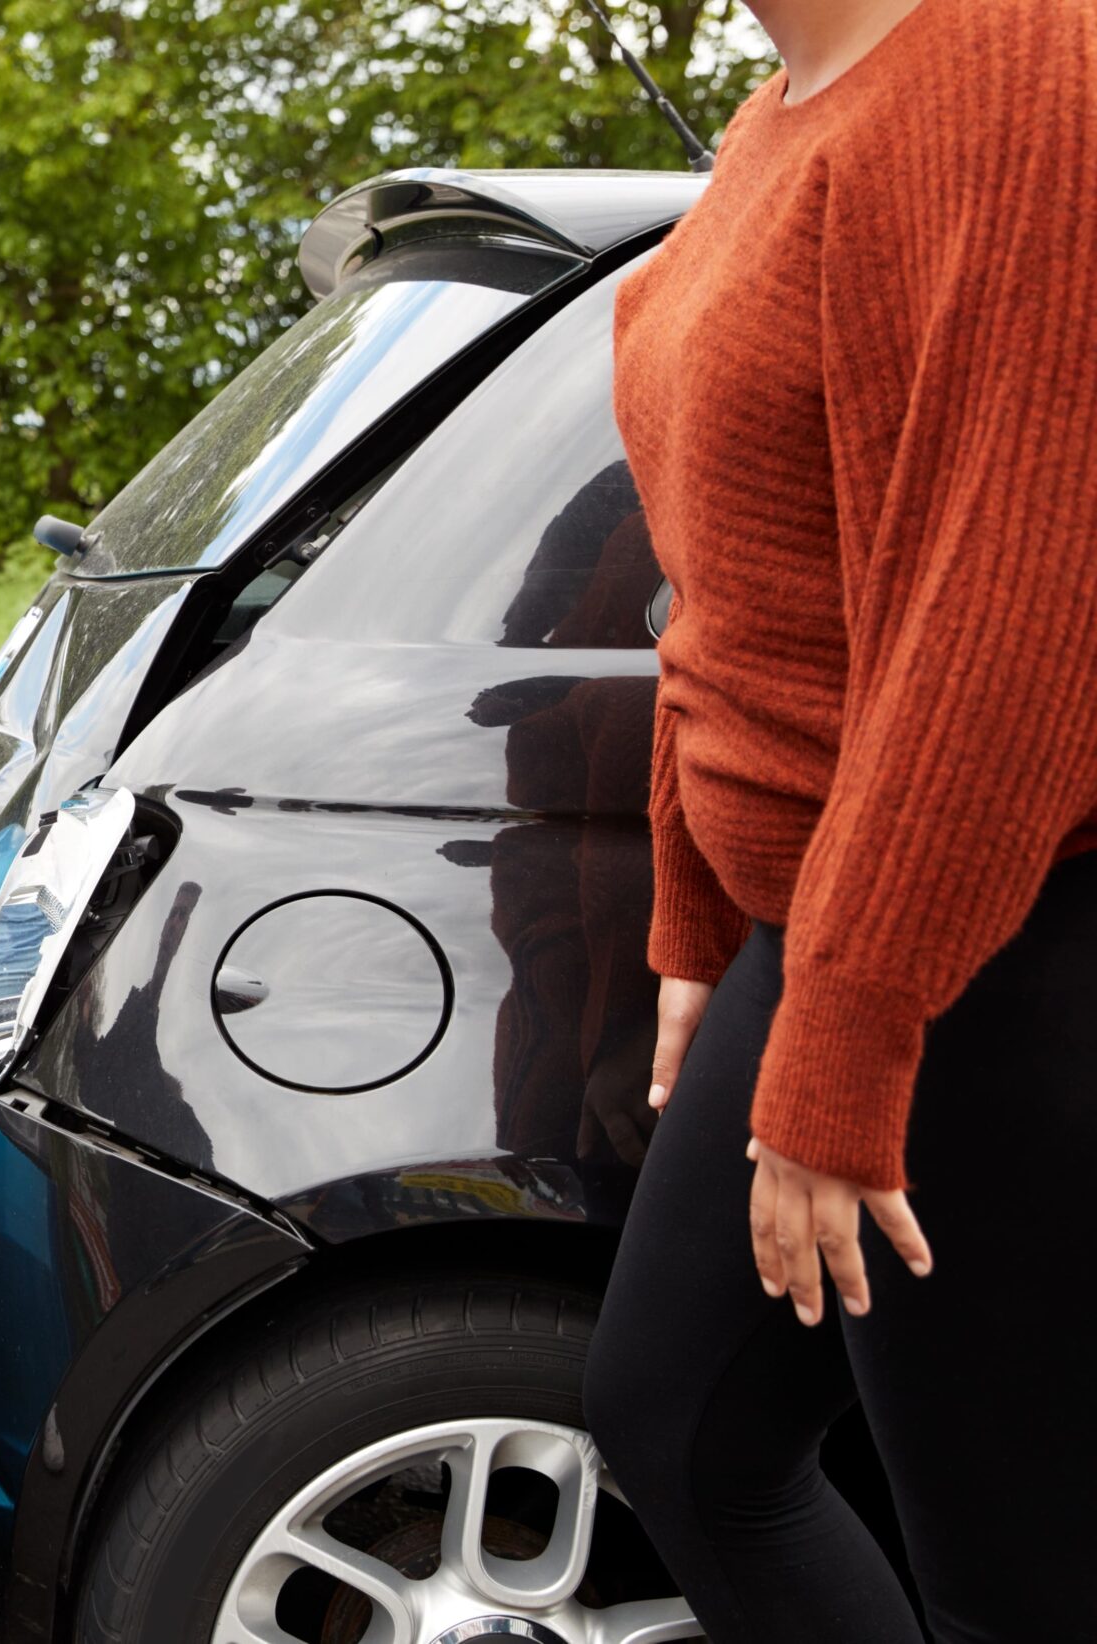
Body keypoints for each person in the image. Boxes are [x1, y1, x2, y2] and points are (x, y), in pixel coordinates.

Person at [582, 0, 1097, 1637]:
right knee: (679, 1429)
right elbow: (726, 578)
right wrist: (693, 915)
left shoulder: (1025, 69)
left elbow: (1007, 619)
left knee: (1016, 1579)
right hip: (819, 924)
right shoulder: (779, 112)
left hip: (988, 954)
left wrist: (849, 1038)